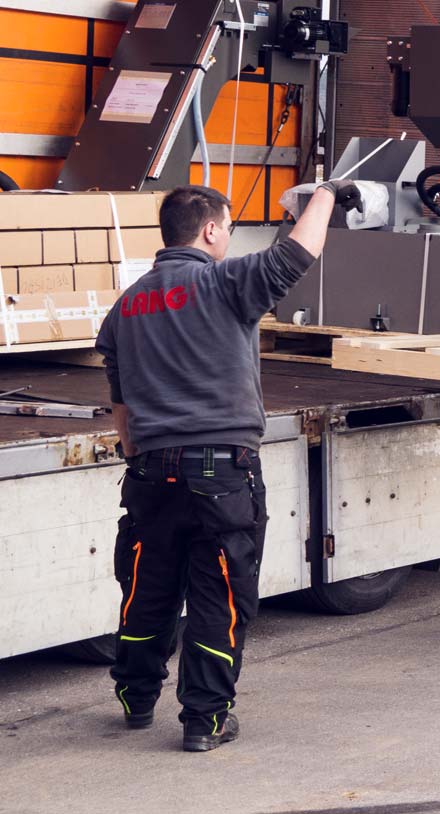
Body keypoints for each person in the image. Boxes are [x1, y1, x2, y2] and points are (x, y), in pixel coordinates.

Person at [99, 180, 362, 752]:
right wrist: (327, 195)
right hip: (222, 472)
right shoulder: (223, 282)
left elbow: (121, 402)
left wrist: (136, 452)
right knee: (219, 595)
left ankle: (135, 699)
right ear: (211, 230)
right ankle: (205, 719)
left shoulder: (126, 306)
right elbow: (297, 254)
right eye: (229, 230)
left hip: (150, 472)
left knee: (148, 588)